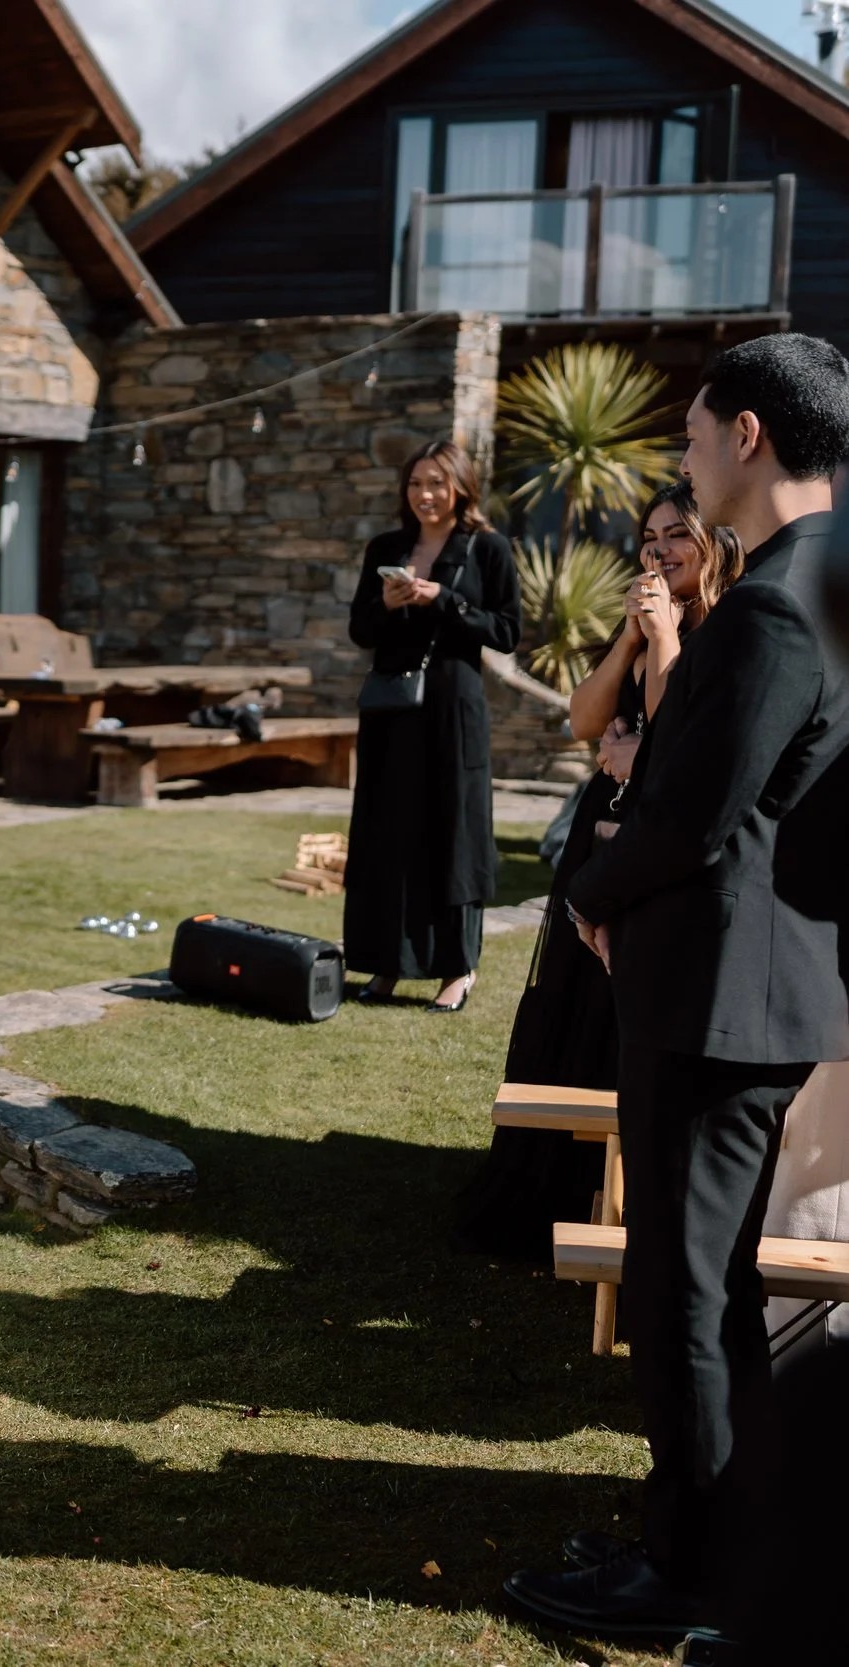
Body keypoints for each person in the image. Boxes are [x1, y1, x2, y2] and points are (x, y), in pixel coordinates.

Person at [506, 333, 849, 1649]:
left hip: (715, 994)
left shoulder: (772, 603)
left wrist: (591, 889)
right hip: (753, 988)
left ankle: (691, 1572)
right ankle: (706, 1535)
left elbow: (699, 809)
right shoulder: (825, 581)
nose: (689, 465)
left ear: (749, 436)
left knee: (681, 1288)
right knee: (701, 1285)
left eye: (697, 437)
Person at [454, 484, 742, 1258]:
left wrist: (659, 665)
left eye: (677, 534)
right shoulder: (646, 630)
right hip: (598, 842)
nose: (659, 550)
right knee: (576, 1006)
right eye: (650, 537)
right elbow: (584, 721)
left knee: (627, 1017)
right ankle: (560, 1182)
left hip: (652, 857)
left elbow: (678, 746)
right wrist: (629, 639)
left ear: (713, 542)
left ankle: (618, 1198)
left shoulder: (727, 632)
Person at [344, 439, 522, 1012]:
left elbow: (507, 632)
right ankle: (388, 963)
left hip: (452, 708)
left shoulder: (488, 549)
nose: (425, 494)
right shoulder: (385, 547)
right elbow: (359, 629)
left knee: (453, 832)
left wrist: (442, 599)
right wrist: (392, 603)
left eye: (437, 484)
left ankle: (456, 969)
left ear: (461, 487)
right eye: (416, 483)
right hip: (393, 708)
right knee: (389, 831)